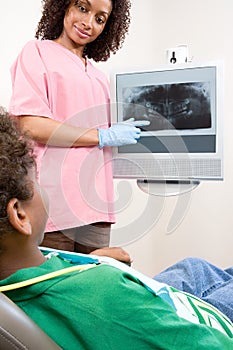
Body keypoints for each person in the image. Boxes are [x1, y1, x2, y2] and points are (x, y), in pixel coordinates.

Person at [1, 109, 233, 350]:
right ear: (19, 214)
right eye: (37, 181)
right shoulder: (103, 293)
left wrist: (87, 264)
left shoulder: (14, 287)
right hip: (186, 323)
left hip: (103, 301)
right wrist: (96, 278)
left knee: (193, 268)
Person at [8, 0, 149, 256]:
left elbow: (106, 146)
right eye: (83, 8)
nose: (88, 23)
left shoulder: (99, 77)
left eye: (100, 18)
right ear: (63, 6)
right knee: (55, 286)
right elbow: (30, 125)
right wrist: (102, 135)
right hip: (52, 203)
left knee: (96, 286)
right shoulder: (37, 52)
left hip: (97, 205)